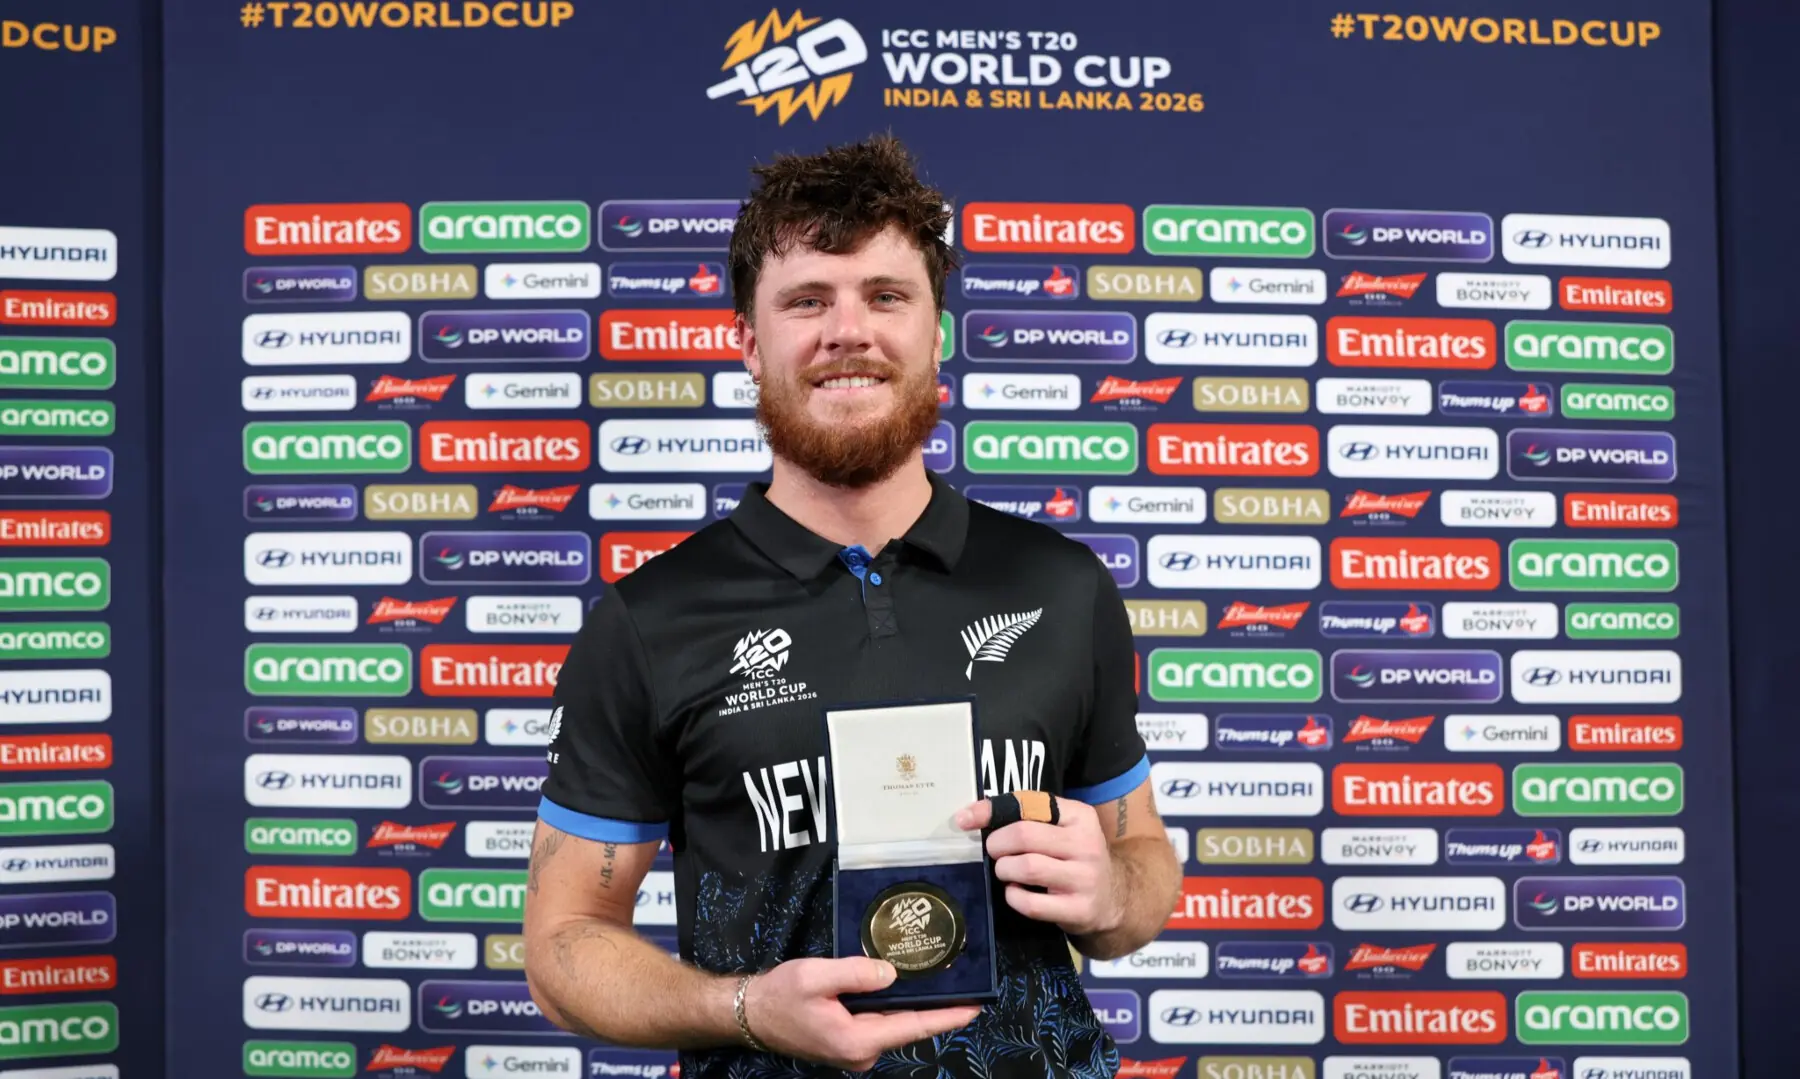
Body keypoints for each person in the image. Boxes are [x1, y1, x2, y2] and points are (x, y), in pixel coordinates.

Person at [523, 134, 1181, 1079]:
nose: (848, 332)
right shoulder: (650, 618)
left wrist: (1111, 890)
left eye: (886, 295)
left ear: (936, 331)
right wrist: (743, 1008)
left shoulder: (1061, 586)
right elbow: (561, 948)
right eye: (807, 301)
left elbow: (1144, 867)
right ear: (747, 341)